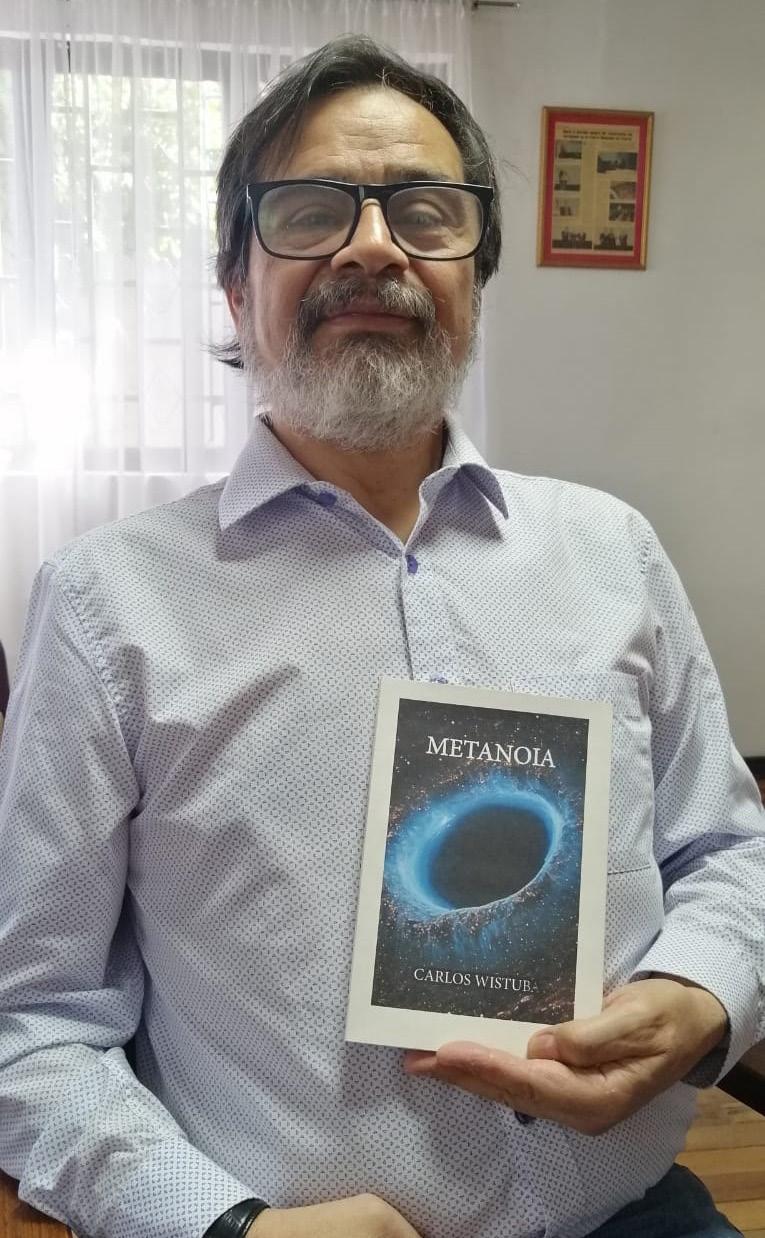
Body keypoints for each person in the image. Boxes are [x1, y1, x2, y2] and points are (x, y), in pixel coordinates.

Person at [0, 34, 763, 1238]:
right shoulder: (108, 606)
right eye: (311, 211)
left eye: (424, 211)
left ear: (474, 279)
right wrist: (223, 1224)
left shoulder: (613, 551)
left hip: (635, 1212)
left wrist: (702, 991)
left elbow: (726, 846)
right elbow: (32, 1020)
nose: (372, 245)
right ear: (236, 285)